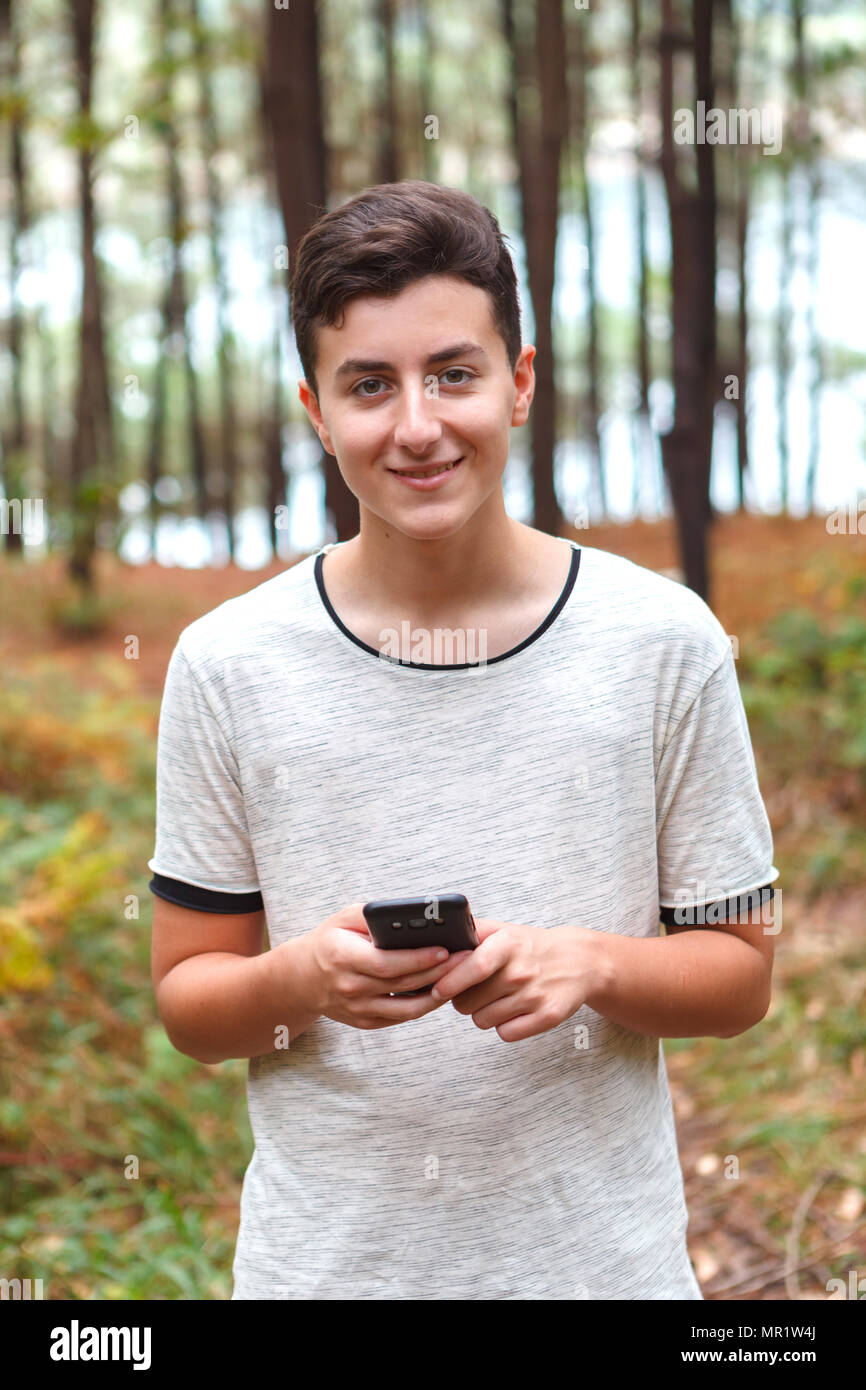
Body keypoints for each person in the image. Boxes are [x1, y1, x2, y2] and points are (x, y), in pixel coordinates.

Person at [148, 180, 779, 1300]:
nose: (417, 426)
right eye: (369, 385)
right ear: (316, 411)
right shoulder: (226, 662)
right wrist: (301, 978)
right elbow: (190, 999)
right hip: (327, 1277)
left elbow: (739, 976)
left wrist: (592, 963)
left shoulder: (662, 640)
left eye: (453, 373)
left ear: (518, 382)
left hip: (602, 1275)